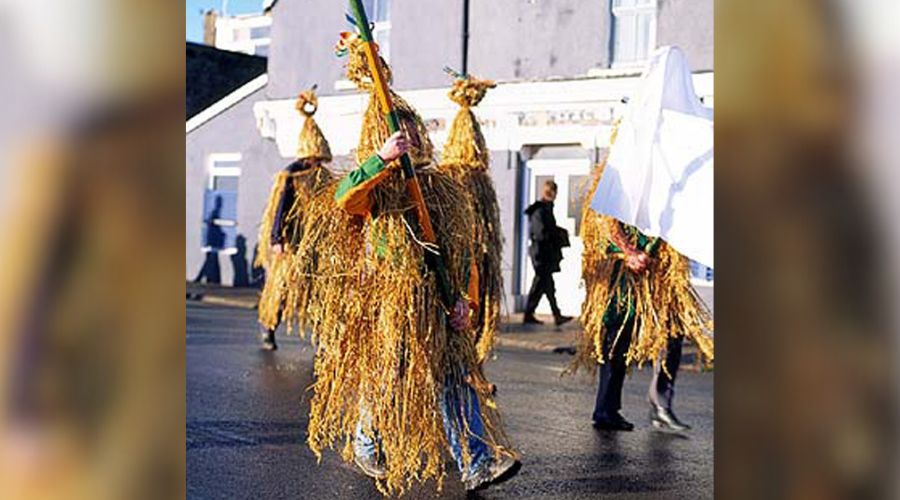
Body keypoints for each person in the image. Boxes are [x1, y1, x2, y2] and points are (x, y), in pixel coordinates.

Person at [292, 32, 519, 496]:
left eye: (415, 131)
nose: (412, 137)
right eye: (403, 132)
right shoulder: (376, 188)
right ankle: (365, 440)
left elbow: (462, 256)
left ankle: (476, 463)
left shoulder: (443, 189)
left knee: (452, 377)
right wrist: (380, 161)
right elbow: (343, 199)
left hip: (437, 301)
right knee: (387, 376)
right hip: (386, 302)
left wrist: (463, 305)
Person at [254, 88, 333, 350]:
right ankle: (268, 326)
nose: (316, 162)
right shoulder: (291, 174)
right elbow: (280, 208)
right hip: (290, 242)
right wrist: (276, 237)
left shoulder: (324, 177)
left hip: (313, 244)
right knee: (282, 287)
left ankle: (322, 336)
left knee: (318, 290)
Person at [437, 72, 502, 363]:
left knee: (476, 313)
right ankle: (460, 366)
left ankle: (471, 367)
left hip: (479, 259)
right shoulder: (458, 181)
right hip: (462, 260)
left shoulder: (478, 183)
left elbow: (488, 224)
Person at [523, 180, 573, 326]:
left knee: (545, 285)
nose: (552, 195)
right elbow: (541, 233)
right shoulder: (540, 210)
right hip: (541, 254)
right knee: (543, 284)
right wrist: (557, 236)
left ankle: (539, 314)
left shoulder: (545, 209)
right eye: (550, 192)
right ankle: (553, 315)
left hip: (544, 253)